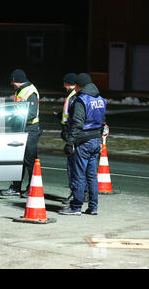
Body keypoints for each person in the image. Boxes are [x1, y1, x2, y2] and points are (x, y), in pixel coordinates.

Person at [58, 73, 106, 215]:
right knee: (91, 176)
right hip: (95, 140)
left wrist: (70, 142)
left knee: (79, 175)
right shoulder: (100, 99)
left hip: (83, 142)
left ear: (79, 86)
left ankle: (76, 207)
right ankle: (93, 207)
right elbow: (103, 122)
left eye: (77, 86)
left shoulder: (81, 100)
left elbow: (77, 124)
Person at [1, 69, 41, 198]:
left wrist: (16, 117)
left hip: (31, 129)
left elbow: (31, 113)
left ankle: (32, 188)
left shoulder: (30, 91)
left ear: (15, 81)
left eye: (12, 81)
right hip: (21, 128)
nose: (11, 84)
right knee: (18, 160)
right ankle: (16, 187)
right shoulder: (20, 90)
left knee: (30, 161)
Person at [58, 73, 78, 204]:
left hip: (73, 134)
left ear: (68, 83)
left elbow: (74, 118)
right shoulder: (74, 95)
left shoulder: (73, 97)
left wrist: (69, 136)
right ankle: (83, 193)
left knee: (73, 167)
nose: (63, 86)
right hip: (75, 134)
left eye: (64, 83)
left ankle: (75, 194)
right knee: (81, 167)